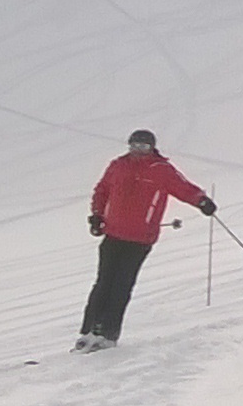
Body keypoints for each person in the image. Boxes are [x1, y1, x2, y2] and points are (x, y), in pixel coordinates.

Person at [79, 129, 213, 351]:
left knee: (122, 284)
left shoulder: (161, 170)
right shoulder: (118, 165)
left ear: (152, 148)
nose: (138, 151)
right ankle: (88, 331)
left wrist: (201, 201)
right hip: (113, 232)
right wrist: (97, 216)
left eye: (143, 147)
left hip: (140, 238)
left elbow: (183, 187)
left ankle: (108, 334)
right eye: (134, 146)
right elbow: (102, 190)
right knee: (103, 283)